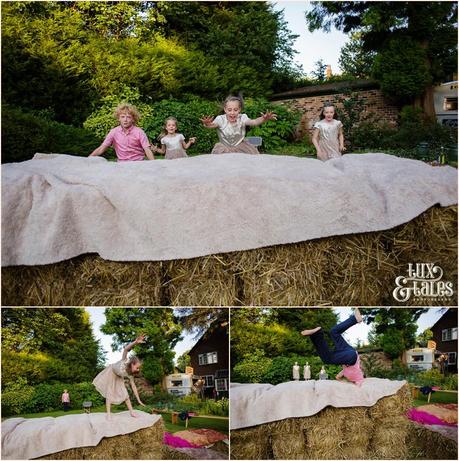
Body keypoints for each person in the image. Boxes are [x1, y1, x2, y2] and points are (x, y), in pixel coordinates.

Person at [301, 308, 365, 386]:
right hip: (351, 357)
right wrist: (354, 384)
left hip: (350, 352)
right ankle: (317, 335)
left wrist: (342, 380)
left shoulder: (345, 371)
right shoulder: (358, 378)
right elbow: (359, 385)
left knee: (334, 332)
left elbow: (337, 377)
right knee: (327, 359)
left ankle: (355, 319)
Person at [92, 334, 147, 420]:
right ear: (132, 364)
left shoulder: (130, 374)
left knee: (125, 394)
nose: (138, 370)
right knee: (109, 392)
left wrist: (139, 400)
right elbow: (126, 349)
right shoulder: (124, 361)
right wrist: (135, 342)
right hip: (111, 372)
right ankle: (109, 414)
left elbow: (134, 387)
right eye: (137, 367)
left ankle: (132, 412)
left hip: (119, 377)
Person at [200, 95, 277, 154]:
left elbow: (253, 122)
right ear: (225, 110)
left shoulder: (242, 117)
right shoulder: (220, 119)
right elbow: (212, 125)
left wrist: (264, 118)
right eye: (229, 110)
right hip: (223, 147)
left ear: (239, 110)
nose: (232, 113)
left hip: (241, 146)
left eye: (235, 110)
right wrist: (207, 123)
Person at [89, 103, 155, 161]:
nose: (125, 120)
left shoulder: (139, 132)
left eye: (128, 117)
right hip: (121, 166)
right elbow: (101, 148)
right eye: (122, 117)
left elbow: (147, 150)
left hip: (138, 163)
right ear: (119, 118)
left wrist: (155, 164)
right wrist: (87, 159)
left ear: (133, 119)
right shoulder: (114, 132)